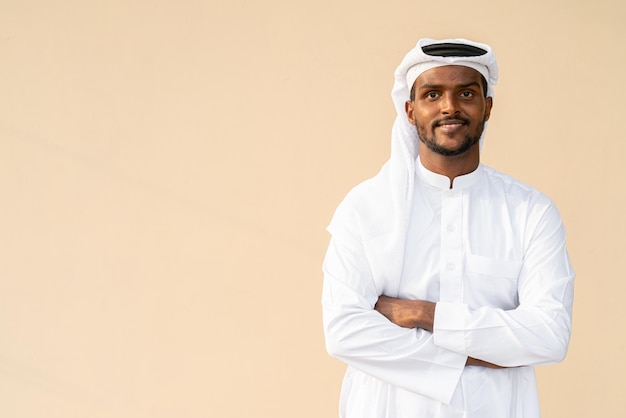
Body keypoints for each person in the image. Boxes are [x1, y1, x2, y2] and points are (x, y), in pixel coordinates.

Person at [321, 38, 575, 418]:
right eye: (432, 94)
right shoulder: (365, 208)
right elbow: (344, 332)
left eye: (466, 93)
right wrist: (488, 352)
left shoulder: (530, 212)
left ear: (487, 108)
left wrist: (425, 315)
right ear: (410, 110)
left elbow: (549, 336)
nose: (449, 107)